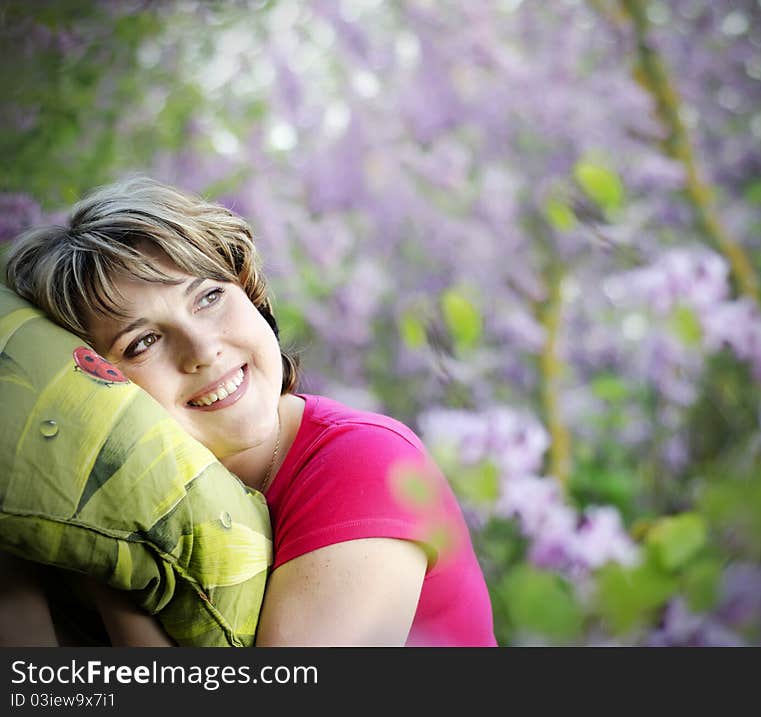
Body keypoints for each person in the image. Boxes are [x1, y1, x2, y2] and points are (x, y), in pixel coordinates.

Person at [2, 176, 497, 647]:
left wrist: (120, 569)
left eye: (209, 296)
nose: (201, 349)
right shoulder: (66, 520)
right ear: (92, 388)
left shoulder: (364, 462)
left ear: (249, 291)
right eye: (144, 342)